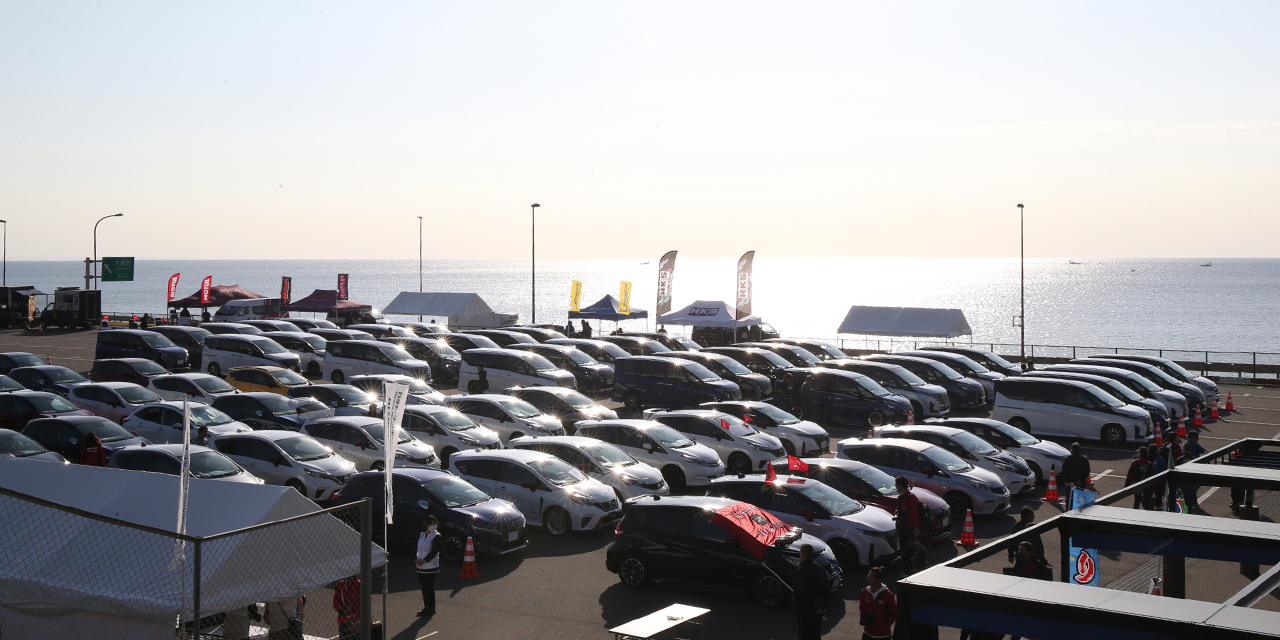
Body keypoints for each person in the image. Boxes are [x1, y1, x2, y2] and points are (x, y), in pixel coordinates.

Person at [792, 543, 830, 640]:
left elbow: (799, 592)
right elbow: (826, 587)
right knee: (816, 634)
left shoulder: (800, 571)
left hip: (805, 611)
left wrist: (796, 609)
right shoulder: (820, 568)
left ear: (803, 554)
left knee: (804, 635)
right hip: (818, 608)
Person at [859, 566, 896, 640]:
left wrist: (884, 625)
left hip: (883, 635)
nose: (868, 579)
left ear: (878, 579)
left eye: (871, 578)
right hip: (867, 633)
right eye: (868, 577)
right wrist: (864, 618)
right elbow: (862, 607)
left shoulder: (888, 595)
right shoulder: (864, 592)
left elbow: (894, 614)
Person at [894, 476, 922, 574]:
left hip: (910, 530)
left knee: (910, 551)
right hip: (902, 529)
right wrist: (897, 527)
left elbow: (915, 514)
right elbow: (899, 515)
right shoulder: (900, 498)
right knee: (903, 551)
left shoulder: (911, 498)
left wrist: (916, 527)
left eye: (896, 485)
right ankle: (906, 571)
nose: (895, 487)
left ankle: (911, 570)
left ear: (901, 485)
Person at [415, 516, 441, 617]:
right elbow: (417, 548)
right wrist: (415, 559)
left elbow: (434, 551)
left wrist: (424, 560)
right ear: (426, 525)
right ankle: (426, 607)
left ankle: (432, 608)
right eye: (431, 524)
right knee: (424, 588)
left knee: (429, 587)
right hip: (420, 567)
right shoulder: (422, 535)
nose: (433, 526)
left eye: (435, 524)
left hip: (431, 567)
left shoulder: (437, 536)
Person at [1182, 432, 1207, 510]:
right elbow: (1205, 452)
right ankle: (1191, 503)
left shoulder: (1185, 444)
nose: (1198, 439)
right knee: (1194, 487)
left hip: (1185, 472)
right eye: (1196, 437)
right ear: (1192, 438)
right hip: (1195, 469)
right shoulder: (1195, 446)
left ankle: (1193, 502)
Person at [332, 575, 360, 640]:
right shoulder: (340, 585)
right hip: (344, 619)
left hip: (357, 619)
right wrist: (342, 610)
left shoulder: (359, 585)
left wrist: (352, 608)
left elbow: (363, 603)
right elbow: (336, 602)